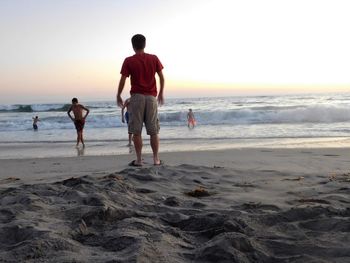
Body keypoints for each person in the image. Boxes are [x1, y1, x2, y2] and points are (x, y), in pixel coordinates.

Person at [116, 34, 165, 166]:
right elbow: (161, 77)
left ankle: (138, 160)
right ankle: (156, 159)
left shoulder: (129, 60)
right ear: (145, 44)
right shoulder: (153, 58)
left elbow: (123, 80)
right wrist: (160, 93)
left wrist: (118, 94)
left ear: (133, 46)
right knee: (154, 131)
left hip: (137, 98)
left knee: (136, 131)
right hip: (151, 98)